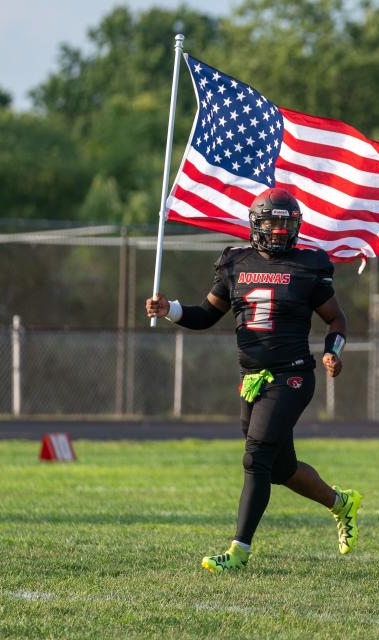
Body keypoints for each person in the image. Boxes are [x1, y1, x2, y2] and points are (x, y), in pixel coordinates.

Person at [145, 187, 361, 574]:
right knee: (279, 468)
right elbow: (206, 315)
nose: (279, 233)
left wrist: (334, 350)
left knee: (255, 455)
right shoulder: (235, 262)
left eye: (286, 226)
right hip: (252, 379)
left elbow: (337, 319)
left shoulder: (309, 264)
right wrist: (170, 310)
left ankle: (239, 551)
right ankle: (340, 502)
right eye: (272, 225)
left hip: (292, 375)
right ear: (256, 225)